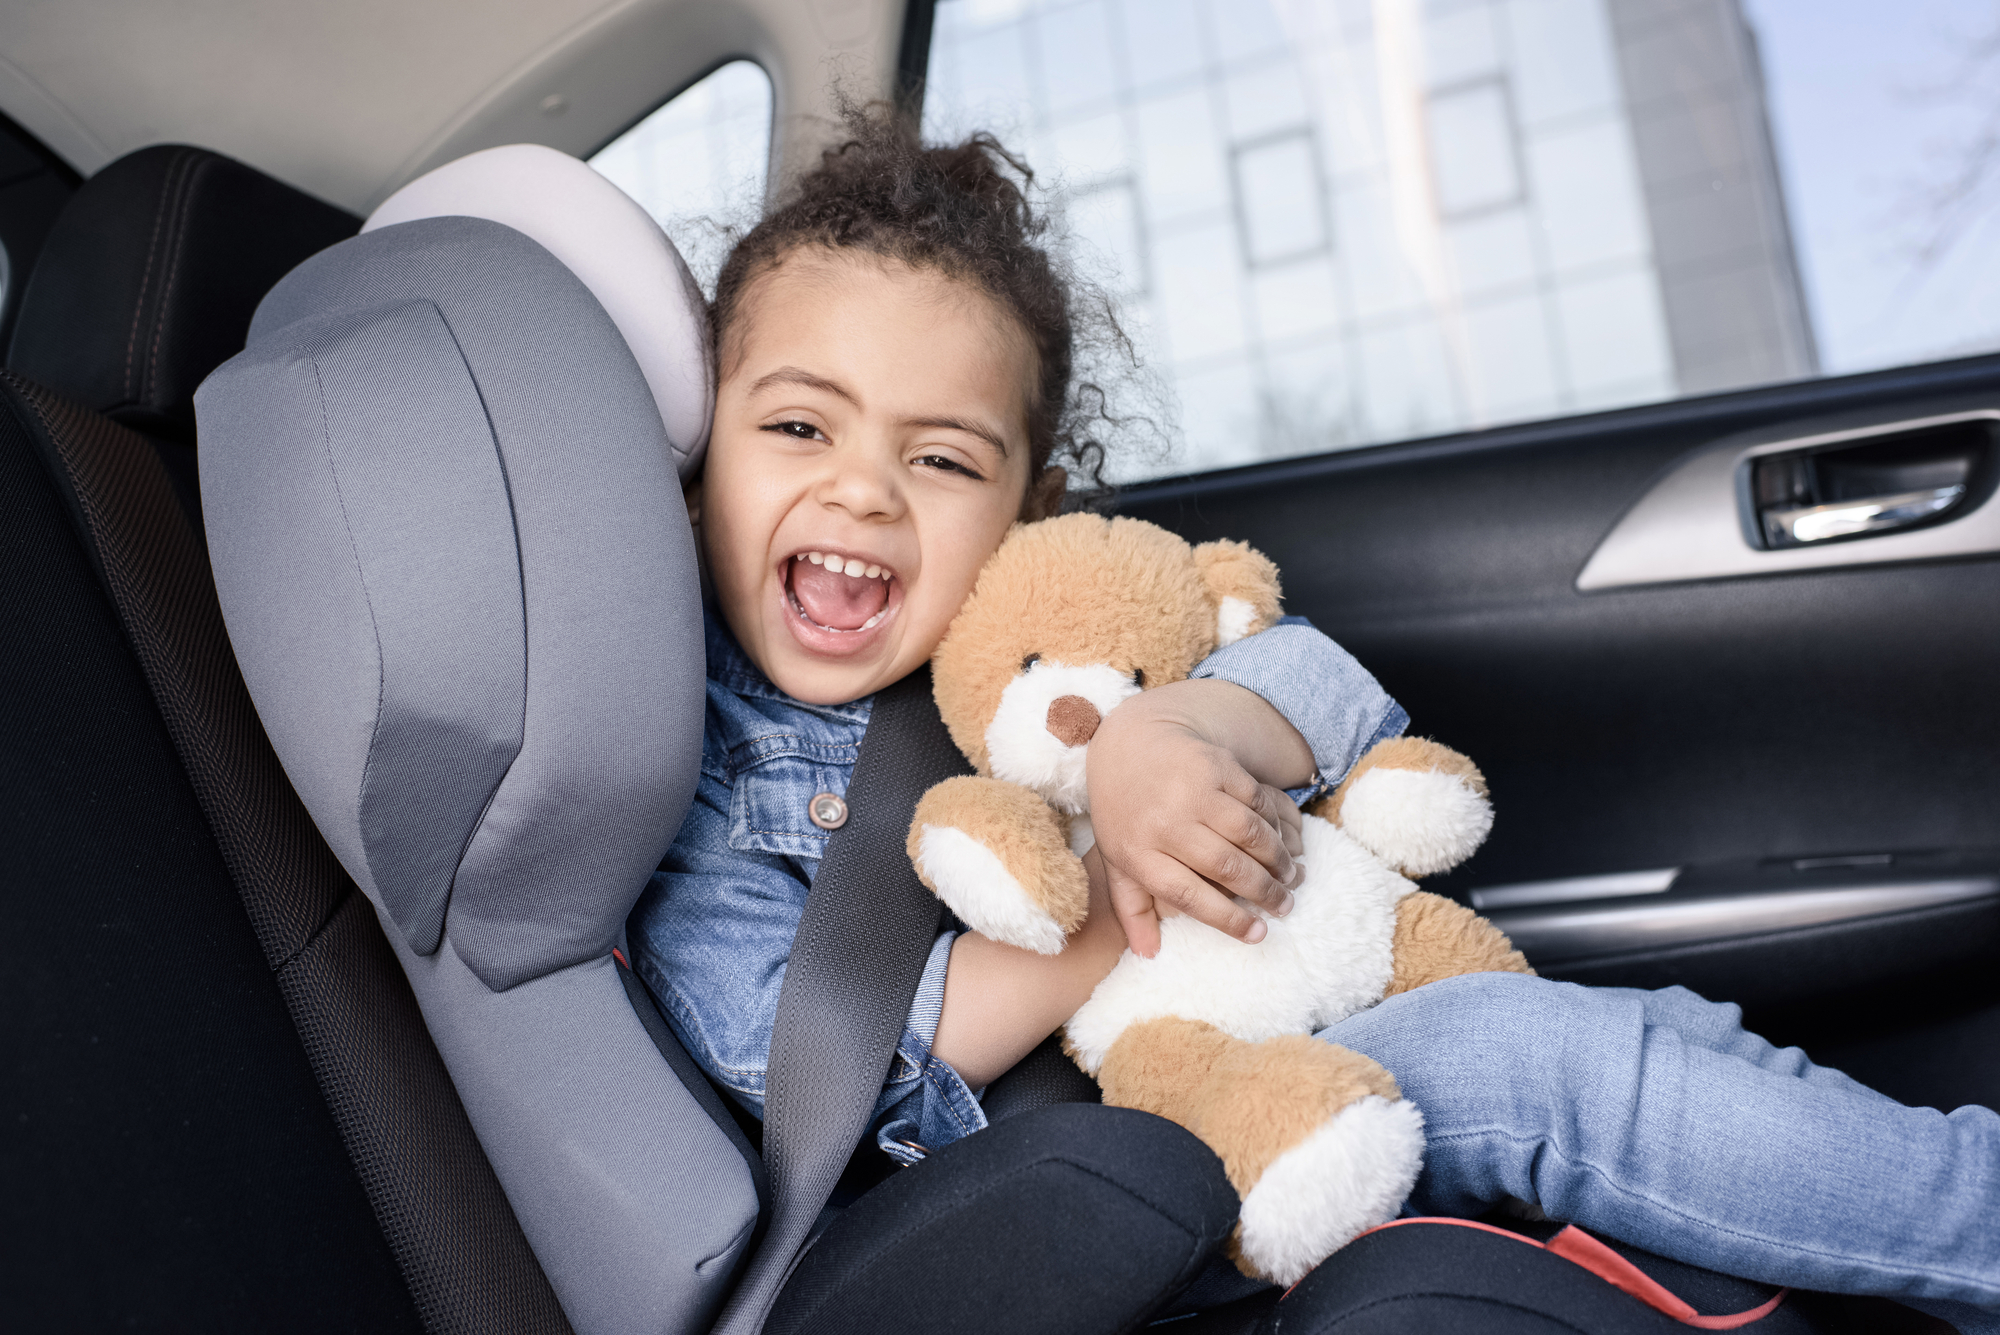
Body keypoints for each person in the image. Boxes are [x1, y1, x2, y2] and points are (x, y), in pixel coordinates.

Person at [625, 110, 1999, 1332]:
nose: (865, 491)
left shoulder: (1026, 632)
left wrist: (1171, 740)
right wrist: (1119, 870)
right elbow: (822, 1061)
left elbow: (1327, 689)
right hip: (1095, 1167)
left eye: (939, 458)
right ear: (699, 475)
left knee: (1671, 1028)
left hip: (1248, 1065)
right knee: (1525, 1064)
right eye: (800, 429)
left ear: (1029, 511)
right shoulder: (688, 766)